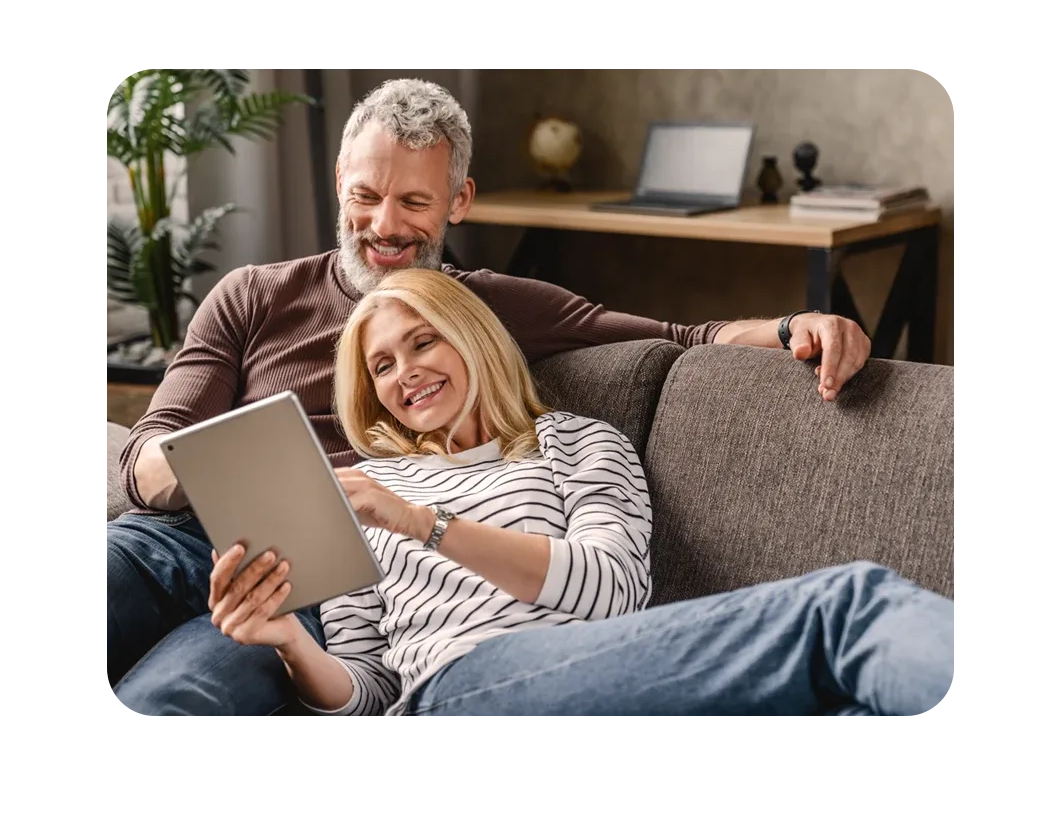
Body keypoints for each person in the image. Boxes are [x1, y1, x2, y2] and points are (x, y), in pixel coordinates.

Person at [107, 78, 872, 719]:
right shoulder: (252, 296)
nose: (383, 226)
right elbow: (148, 448)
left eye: (414, 202)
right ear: (339, 182)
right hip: (169, 540)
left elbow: (681, 334)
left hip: (306, 579)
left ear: (459, 200)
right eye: (366, 195)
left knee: (164, 704)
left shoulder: (484, 310)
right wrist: (202, 470)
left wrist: (794, 322)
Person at [195, 268, 958, 721]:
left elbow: (611, 590)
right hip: (455, 697)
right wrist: (289, 639)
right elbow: (368, 695)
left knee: (859, 717)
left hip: (584, 677)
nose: (407, 374)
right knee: (848, 606)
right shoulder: (372, 490)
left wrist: (428, 525)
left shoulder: (577, 442)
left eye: (423, 341)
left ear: (472, 338)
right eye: (383, 365)